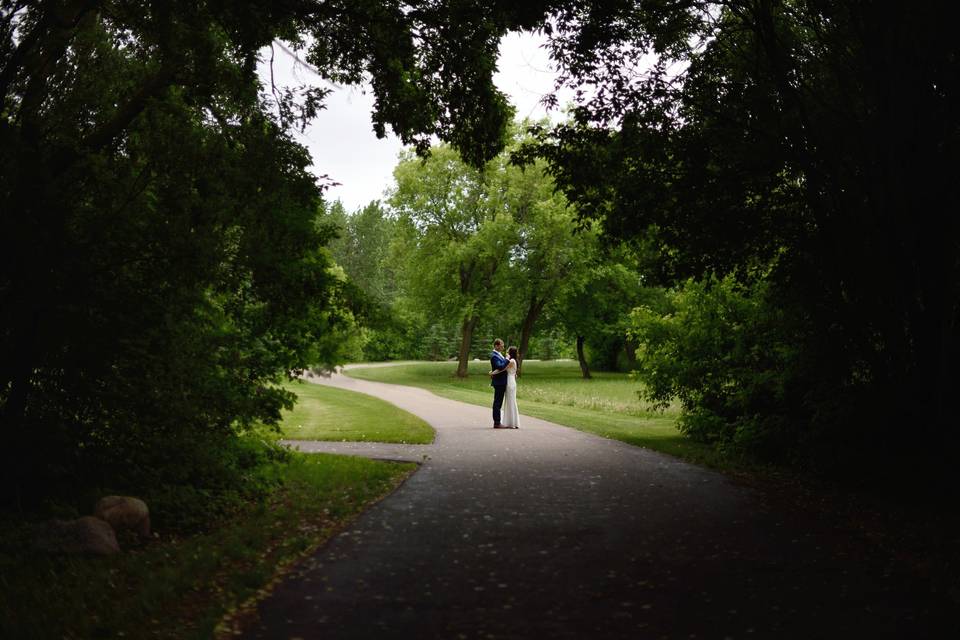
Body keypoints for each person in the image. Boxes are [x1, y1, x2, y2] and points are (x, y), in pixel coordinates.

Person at [489, 339, 509, 428]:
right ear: (496, 346)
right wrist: (507, 359)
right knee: (497, 403)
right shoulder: (494, 356)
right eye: (501, 345)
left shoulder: (499, 354)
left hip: (502, 381)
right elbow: (500, 366)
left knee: (499, 402)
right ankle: (497, 422)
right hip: (499, 382)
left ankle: (498, 421)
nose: (503, 347)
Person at [499, 346, 520, 429]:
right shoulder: (514, 361)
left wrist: (492, 373)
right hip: (512, 380)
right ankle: (511, 422)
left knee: (511, 401)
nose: (506, 351)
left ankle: (512, 423)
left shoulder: (511, 361)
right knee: (510, 401)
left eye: (508, 350)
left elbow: (503, 368)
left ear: (510, 352)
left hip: (510, 382)